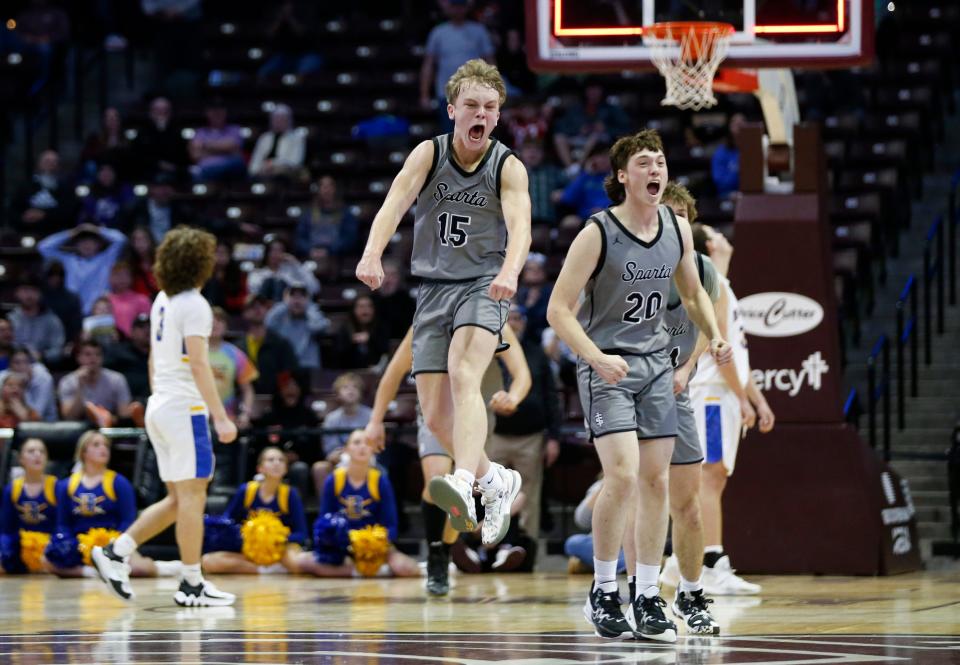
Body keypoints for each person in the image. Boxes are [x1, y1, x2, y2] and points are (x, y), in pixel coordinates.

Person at [545, 129, 730, 642]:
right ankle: (605, 589)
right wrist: (595, 357)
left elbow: (693, 294)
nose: (655, 170)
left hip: (655, 368)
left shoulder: (676, 226)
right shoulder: (597, 232)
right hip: (607, 367)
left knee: (656, 483)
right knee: (622, 476)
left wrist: (713, 336)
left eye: (661, 162)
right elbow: (557, 310)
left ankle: (648, 595)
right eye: (644, 163)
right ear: (622, 176)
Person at [357, 59, 531, 550]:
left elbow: (521, 228)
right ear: (453, 109)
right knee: (434, 417)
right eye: (472, 105)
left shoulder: (508, 166)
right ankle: (494, 479)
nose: (481, 114)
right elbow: (394, 203)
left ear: (498, 116)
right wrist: (372, 254)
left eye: (490, 108)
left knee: (464, 371)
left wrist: (510, 271)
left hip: (484, 283)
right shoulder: (427, 155)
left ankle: (464, 479)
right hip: (433, 288)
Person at [90, 226, 238, 607]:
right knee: (192, 496)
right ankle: (191, 583)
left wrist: (161, 396)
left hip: (161, 403)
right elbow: (201, 364)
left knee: (178, 499)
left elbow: (155, 359)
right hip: (183, 408)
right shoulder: (195, 304)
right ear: (200, 262)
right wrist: (220, 417)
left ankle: (116, 552)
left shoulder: (161, 300)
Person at [618, 181, 723, 635]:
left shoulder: (701, 269)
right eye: (667, 212)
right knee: (639, 495)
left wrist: (691, 363)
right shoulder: (630, 263)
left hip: (676, 389)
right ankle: (637, 592)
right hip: (633, 388)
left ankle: (691, 592)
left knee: (690, 504)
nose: (673, 221)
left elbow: (705, 321)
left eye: (681, 215)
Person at [364, 321, 530, 595]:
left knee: (459, 489)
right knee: (438, 479)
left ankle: (445, 549)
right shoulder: (428, 316)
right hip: (436, 412)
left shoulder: (489, 315)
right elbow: (393, 373)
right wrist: (375, 420)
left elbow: (522, 372)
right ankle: (436, 552)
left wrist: (513, 396)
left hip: (475, 415)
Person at [687, 221, 776, 596]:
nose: (726, 238)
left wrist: (756, 398)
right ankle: (709, 564)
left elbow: (736, 352)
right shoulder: (716, 285)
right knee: (710, 477)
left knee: (714, 477)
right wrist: (742, 398)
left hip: (722, 392)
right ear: (711, 244)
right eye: (718, 234)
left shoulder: (723, 285)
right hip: (711, 392)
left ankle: (686, 563)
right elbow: (718, 351)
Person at [45, 431, 174, 579]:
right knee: (46, 561)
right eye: (96, 445)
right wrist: (67, 543)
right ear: (83, 452)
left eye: (106, 445)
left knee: (141, 569)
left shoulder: (119, 482)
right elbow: (62, 523)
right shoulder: (66, 485)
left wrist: (114, 545)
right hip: (79, 545)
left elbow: (128, 521)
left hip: (111, 544)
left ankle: (163, 567)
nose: (103, 449)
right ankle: (91, 572)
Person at [295, 430, 419, 578]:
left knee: (406, 568)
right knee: (302, 561)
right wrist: (334, 537)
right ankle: (366, 571)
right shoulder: (335, 480)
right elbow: (324, 518)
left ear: (373, 449)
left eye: (367, 443)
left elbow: (391, 526)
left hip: (372, 545)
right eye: (356, 443)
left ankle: (360, 568)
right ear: (346, 449)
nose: (362, 447)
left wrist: (375, 541)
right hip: (341, 544)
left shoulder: (380, 480)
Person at [487, 304, 561, 541]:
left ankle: (528, 548)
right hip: (495, 434)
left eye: (518, 318)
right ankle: (486, 545)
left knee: (529, 493)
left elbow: (551, 396)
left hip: (531, 436)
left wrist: (554, 438)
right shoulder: (488, 352)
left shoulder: (536, 353)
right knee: (490, 491)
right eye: (509, 318)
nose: (513, 323)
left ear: (525, 322)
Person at [201, 447, 308, 574]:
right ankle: (266, 570)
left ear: (286, 468)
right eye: (271, 460)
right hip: (250, 549)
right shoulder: (246, 491)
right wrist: (249, 538)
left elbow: (301, 533)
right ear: (260, 468)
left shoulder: (290, 494)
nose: (276, 463)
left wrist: (274, 539)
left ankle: (272, 567)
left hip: (280, 548)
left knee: (296, 563)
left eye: (281, 460)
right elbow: (227, 523)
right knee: (208, 561)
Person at [419, 1, 495, 129]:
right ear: (448, 8)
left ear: (466, 8)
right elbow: (429, 65)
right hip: (447, 94)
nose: (457, 10)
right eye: (454, 6)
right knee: (450, 137)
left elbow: (490, 63)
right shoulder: (438, 33)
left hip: (475, 93)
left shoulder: (478, 31)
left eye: (460, 6)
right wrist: (424, 94)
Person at [37, 224, 127, 315]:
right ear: (76, 245)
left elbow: (121, 239)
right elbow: (43, 247)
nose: (87, 245)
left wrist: (96, 229)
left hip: (100, 312)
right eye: (82, 242)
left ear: (98, 244)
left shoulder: (106, 258)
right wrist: (72, 232)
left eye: (91, 242)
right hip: (73, 312)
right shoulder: (68, 260)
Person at [0, 439, 57, 574]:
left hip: (50, 548)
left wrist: (54, 546)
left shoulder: (56, 486)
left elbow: (63, 524)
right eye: (31, 451)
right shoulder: (12, 488)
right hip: (20, 548)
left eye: (42, 451)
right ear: (21, 459)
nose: (37, 455)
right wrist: (5, 549)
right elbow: (6, 529)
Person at [313, 373, 373, 495]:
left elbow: (374, 445)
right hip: (339, 460)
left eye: (355, 387)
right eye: (345, 387)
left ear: (361, 392)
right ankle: (327, 510)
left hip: (366, 458)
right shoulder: (331, 419)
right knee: (319, 468)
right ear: (337, 394)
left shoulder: (371, 416)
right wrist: (344, 456)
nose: (350, 391)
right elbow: (330, 451)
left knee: (381, 469)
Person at [57, 340, 133, 425]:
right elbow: (69, 417)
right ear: (78, 357)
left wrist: (108, 418)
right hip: (80, 429)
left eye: (98, 354)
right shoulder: (67, 382)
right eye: (88, 354)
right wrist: (80, 386)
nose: (93, 358)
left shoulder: (117, 379)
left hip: (110, 425)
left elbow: (124, 415)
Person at [208, 307, 258, 430]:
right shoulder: (193, 353)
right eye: (210, 320)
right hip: (197, 419)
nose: (215, 323)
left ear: (226, 326)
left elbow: (248, 390)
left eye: (219, 320)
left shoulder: (235, 354)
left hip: (227, 420)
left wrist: (245, 414)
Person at [239, 293, 299, 394]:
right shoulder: (237, 347)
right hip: (245, 401)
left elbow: (291, 373)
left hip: (276, 402)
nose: (258, 308)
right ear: (244, 313)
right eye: (252, 306)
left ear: (267, 311)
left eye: (262, 305)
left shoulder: (281, 344)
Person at [11, 150, 78, 235]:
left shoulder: (66, 187)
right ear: (39, 163)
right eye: (47, 161)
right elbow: (14, 209)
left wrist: (44, 214)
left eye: (54, 161)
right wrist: (24, 217)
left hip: (56, 233)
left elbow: (69, 211)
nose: (51, 164)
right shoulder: (26, 186)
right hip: (28, 233)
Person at [265, 283, 329, 371]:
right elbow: (267, 324)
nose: (297, 301)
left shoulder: (312, 317)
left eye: (302, 296)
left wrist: (309, 306)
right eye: (293, 296)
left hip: (308, 367)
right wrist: (285, 304)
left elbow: (319, 327)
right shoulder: (281, 319)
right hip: (284, 367)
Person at [293, 175, 360, 259]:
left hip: (336, 257)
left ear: (334, 189)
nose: (326, 190)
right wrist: (310, 250)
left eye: (329, 186)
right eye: (323, 187)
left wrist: (329, 250)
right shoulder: (308, 214)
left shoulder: (345, 214)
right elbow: (299, 238)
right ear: (318, 190)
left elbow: (350, 239)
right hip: (312, 255)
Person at [188, 100, 247, 183]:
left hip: (232, 169)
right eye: (213, 112)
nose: (217, 114)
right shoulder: (200, 132)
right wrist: (224, 150)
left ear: (225, 113)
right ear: (207, 113)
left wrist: (204, 146)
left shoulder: (235, 129)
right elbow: (195, 155)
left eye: (220, 111)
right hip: (206, 172)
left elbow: (234, 147)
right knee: (196, 173)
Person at [8, 280, 65, 365]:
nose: (29, 295)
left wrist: (42, 355)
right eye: (25, 290)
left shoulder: (52, 321)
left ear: (40, 294)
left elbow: (58, 350)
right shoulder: (10, 319)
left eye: (34, 290)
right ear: (17, 293)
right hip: (11, 365)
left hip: (42, 366)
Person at [331, 294, 390, 369]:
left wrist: (370, 339)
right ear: (354, 310)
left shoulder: (380, 328)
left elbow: (385, 350)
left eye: (369, 306)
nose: (365, 310)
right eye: (361, 307)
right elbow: (338, 357)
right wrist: (352, 341)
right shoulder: (345, 329)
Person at [248, 104, 306, 180]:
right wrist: (257, 171)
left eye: (282, 119)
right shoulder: (264, 138)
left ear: (288, 120)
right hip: (263, 171)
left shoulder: (297, 138)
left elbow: (295, 162)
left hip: (286, 172)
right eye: (276, 119)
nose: (278, 122)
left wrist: (273, 164)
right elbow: (255, 161)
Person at [0, 347, 57, 422]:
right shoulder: (4, 377)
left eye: (26, 362)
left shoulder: (43, 378)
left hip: (46, 425)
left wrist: (20, 410)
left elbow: (37, 418)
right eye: (17, 362)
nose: (22, 366)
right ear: (10, 365)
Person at [106, 262, 152, 339]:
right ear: (110, 278)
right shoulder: (104, 300)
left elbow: (148, 326)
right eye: (117, 275)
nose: (121, 279)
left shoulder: (142, 300)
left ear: (131, 277)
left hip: (135, 345)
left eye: (125, 275)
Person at [711, 113, 745, 199]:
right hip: (727, 195)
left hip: (749, 195)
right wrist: (738, 170)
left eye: (741, 124)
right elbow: (720, 182)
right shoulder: (721, 153)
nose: (739, 128)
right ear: (729, 127)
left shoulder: (752, 151)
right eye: (735, 124)